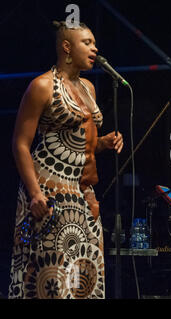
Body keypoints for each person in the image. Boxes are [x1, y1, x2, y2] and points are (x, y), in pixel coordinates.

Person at [9, 21, 123, 299]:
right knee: (53, 276)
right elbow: (20, 144)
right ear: (67, 47)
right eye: (87, 42)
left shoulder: (88, 87)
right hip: (49, 189)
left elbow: (81, 143)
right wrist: (35, 194)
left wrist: (103, 144)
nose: (95, 48)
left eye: (95, 43)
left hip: (83, 193)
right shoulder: (42, 86)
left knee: (83, 277)